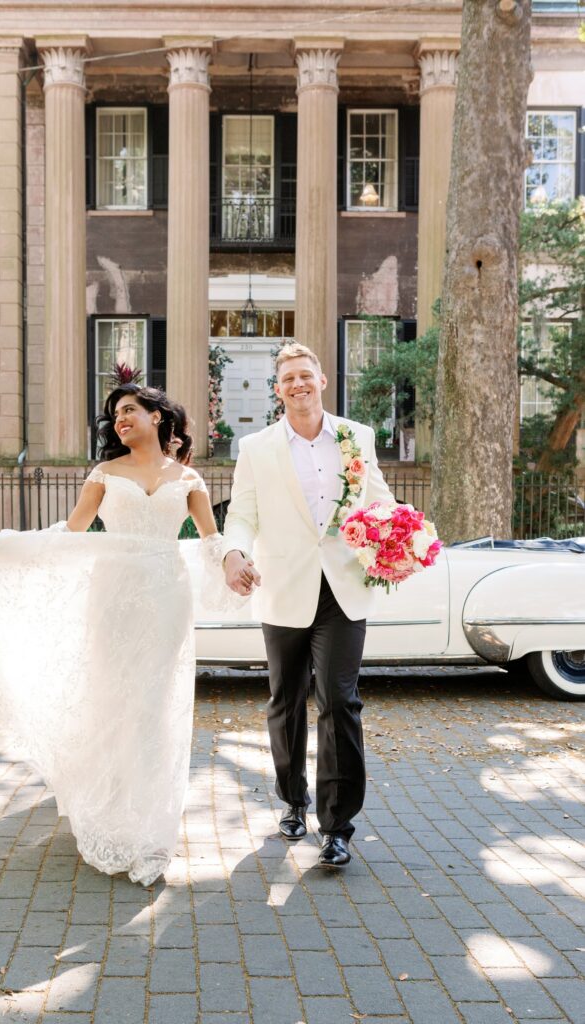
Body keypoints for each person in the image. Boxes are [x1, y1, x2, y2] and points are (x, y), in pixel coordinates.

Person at [0, 382, 220, 886]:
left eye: (131, 410)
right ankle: (111, 809)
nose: (121, 420)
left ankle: (150, 816)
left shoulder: (189, 478)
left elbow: (211, 540)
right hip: (113, 596)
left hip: (166, 599)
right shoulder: (105, 473)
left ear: (158, 417)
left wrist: (236, 561)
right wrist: (5, 548)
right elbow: (71, 533)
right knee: (113, 697)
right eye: (115, 414)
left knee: (154, 705)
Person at [223, 342, 395, 868]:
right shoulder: (256, 447)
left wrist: (398, 529)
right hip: (283, 588)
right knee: (285, 702)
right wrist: (233, 554)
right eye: (288, 379)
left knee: (340, 701)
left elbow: (379, 496)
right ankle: (293, 801)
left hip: (342, 588)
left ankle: (337, 825)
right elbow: (243, 513)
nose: (298, 384)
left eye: (306, 375)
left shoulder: (355, 437)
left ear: (322, 380)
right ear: (278, 390)